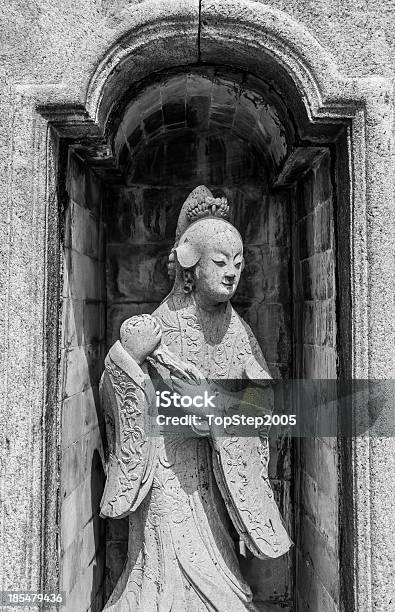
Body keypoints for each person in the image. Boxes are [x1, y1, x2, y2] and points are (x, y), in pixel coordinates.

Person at [101, 186, 292, 611]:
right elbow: (117, 395)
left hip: (216, 470)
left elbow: (265, 401)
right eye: (220, 263)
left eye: (238, 264)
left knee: (221, 574)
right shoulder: (158, 326)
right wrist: (128, 357)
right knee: (164, 575)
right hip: (166, 471)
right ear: (189, 269)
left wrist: (217, 410)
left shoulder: (238, 331)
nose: (231, 274)